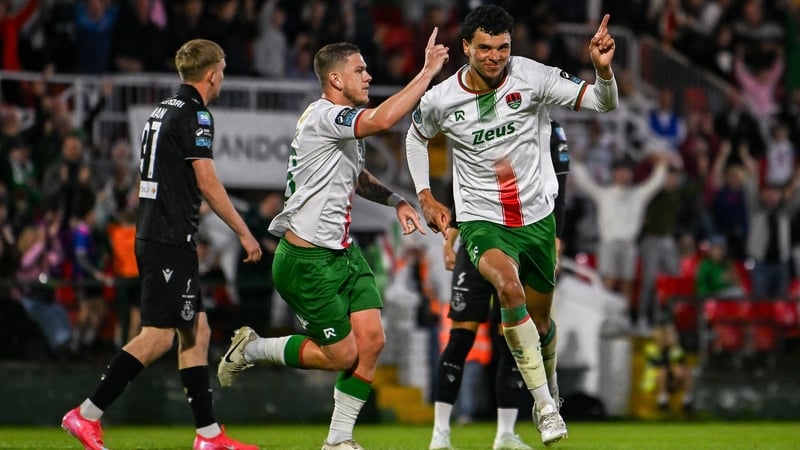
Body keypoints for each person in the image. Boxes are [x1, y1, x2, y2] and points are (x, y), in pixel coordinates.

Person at [216, 30, 449, 450]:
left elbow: (358, 178)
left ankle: (338, 440)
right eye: (360, 70)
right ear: (336, 79)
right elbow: (382, 120)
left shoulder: (341, 128)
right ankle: (252, 349)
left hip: (342, 253)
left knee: (372, 341)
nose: (368, 76)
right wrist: (426, 72)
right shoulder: (324, 116)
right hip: (306, 261)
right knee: (342, 356)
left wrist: (397, 201)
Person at [405, 5, 619, 446]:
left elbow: (603, 103)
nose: (495, 57)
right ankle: (544, 408)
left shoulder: (532, 77)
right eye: (485, 48)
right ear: (466, 47)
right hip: (482, 221)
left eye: (502, 48)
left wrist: (603, 71)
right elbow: (415, 136)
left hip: (536, 219)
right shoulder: (442, 98)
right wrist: (424, 194)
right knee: (508, 287)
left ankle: (549, 387)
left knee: (540, 325)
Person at [61, 39, 262, 450]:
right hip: (168, 238)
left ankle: (208, 436)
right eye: (223, 70)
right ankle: (87, 414)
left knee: (196, 331)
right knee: (158, 337)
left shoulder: (162, 109)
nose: (223, 77)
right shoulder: (196, 115)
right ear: (212, 74)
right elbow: (207, 181)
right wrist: (243, 231)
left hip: (161, 232)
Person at [430, 121, 570, 450]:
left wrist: (556, 238)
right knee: (461, 336)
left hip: (524, 239)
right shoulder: (489, 119)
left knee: (514, 337)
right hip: (480, 235)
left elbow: (559, 188)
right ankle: (440, 434)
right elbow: (464, 175)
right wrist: (452, 232)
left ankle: (505, 434)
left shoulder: (552, 130)